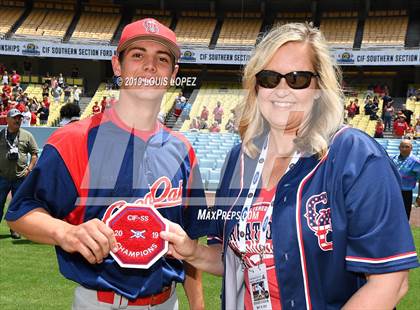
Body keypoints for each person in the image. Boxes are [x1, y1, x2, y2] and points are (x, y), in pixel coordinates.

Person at [160, 23, 419, 309]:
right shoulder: (240, 159)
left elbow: (391, 282)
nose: (281, 90)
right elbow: (235, 256)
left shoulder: (356, 157)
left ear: (319, 86)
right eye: (269, 78)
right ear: (256, 86)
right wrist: (192, 251)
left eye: (297, 78)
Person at [6, 18, 208, 310]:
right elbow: (20, 212)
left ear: (173, 73)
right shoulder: (74, 140)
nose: (150, 67)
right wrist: (67, 233)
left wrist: (198, 306)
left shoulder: (183, 151)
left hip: (168, 301)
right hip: (101, 303)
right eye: (138, 55)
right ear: (117, 65)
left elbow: (190, 243)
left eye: (162, 59)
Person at [0, 109, 38, 239]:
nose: (18, 120)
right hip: (2, 177)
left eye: (20, 118)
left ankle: (14, 230)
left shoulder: (27, 135)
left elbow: (34, 154)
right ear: (7, 120)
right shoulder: (1, 134)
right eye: (15, 118)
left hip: (20, 178)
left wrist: (29, 169)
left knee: (16, 205)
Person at [392, 139, 420, 220]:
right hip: (393, 191)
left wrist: (419, 195)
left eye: (407, 147)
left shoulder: (416, 162)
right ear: (399, 147)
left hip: (406, 193)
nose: (404, 149)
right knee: (391, 216)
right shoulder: (393, 159)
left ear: (411, 148)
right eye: (402, 147)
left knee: (404, 217)